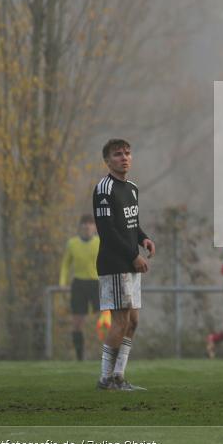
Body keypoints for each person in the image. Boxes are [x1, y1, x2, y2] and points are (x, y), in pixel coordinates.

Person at [93, 138, 155, 391]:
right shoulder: (104, 189)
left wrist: (144, 238)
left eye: (128, 153)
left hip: (129, 263)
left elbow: (131, 223)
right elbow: (107, 230)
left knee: (133, 321)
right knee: (120, 320)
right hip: (115, 263)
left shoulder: (131, 188)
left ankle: (119, 376)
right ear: (107, 160)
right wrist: (133, 255)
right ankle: (106, 378)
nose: (124, 157)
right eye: (118, 154)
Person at [59, 214, 100, 361]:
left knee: (106, 320)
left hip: (97, 284)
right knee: (77, 323)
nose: (87, 226)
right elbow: (65, 264)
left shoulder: (100, 243)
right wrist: (63, 282)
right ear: (80, 227)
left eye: (90, 224)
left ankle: (108, 356)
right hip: (79, 284)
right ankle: (80, 358)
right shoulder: (72, 244)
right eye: (84, 224)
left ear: (95, 227)